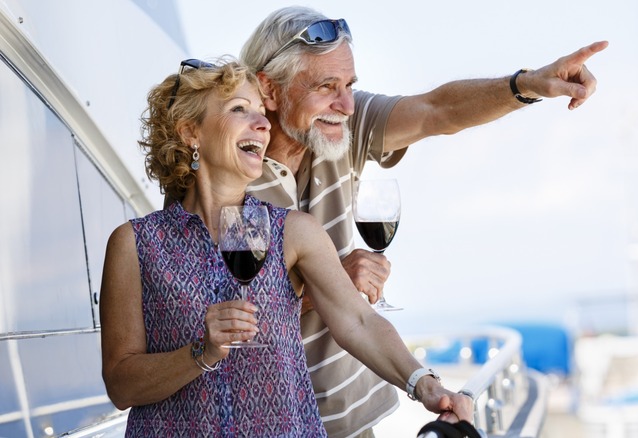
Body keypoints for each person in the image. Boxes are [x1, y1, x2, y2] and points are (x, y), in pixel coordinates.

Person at [239, 6, 608, 437]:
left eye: (350, 85)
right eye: (326, 86)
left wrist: (528, 85)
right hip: (265, 423)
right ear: (268, 88)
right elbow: (215, 323)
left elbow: (437, 110)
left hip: (351, 422)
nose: (346, 104)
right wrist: (330, 283)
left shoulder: (343, 127)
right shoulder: (225, 170)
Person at [99, 59, 472, 437]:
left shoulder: (292, 232)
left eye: (261, 112)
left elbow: (359, 321)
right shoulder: (134, 244)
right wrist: (201, 353)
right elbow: (120, 384)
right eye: (239, 109)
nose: (262, 125)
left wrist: (427, 386)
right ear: (190, 132)